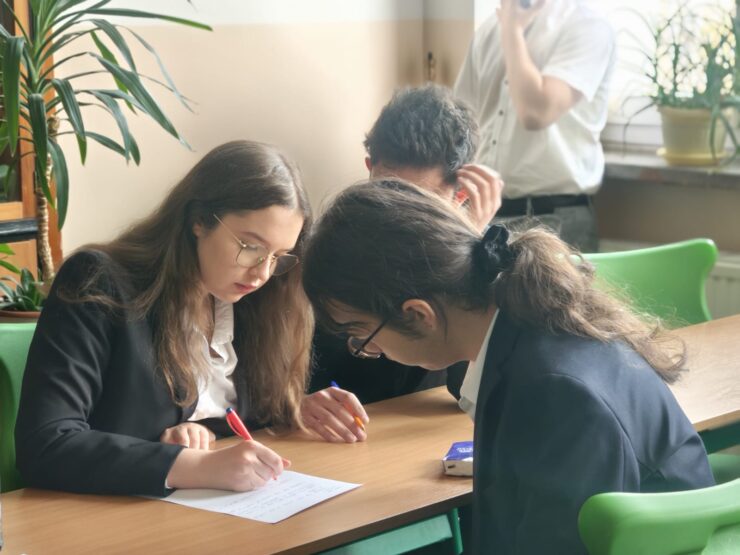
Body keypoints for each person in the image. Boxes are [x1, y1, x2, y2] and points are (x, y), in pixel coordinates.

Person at [301, 179, 714, 554]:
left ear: (419, 314)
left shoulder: (552, 391)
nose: (369, 350)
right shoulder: (535, 328)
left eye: (362, 335)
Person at [15, 141, 314, 496]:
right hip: (103, 514)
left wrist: (296, 409)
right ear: (199, 220)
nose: (262, 273)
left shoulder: (257, 301)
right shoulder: (99, 282)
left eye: (278, 256)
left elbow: (238, 422)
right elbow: (46, 444)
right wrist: (189, 464)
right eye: (251, 247)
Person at [301, 85, 504, 443]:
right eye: (389, 190)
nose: (399, 212)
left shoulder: (483, 253)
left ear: (458, 194)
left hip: (416, 430)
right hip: (336, 433)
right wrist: (293, 403)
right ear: (369, 168)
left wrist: (462, 253)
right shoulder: (333, 248)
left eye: (421, 200)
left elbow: (464, 391)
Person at [454, 0, 616, 252]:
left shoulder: (586, 26)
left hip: (554, 221)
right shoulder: (487, 30)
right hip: (482, 217)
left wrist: (511, 31)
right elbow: (460, 121)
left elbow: (535, 112)